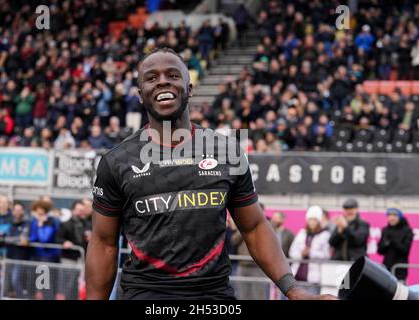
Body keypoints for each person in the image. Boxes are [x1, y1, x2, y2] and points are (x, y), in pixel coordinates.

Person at [86, 48, 335, 300]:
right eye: (151, 78)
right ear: (141, 95)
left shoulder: (228, 152)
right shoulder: (116, 161)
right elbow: (104, 243)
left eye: (173, 75)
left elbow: (255, 227)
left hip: (214, 299)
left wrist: (293, 290)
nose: (162, 81)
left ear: (189, 88)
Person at [231, 203, 271, 300]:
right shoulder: (243, 224)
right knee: (243, 296)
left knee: (258, 296)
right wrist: (243, 228)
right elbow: (233, 241)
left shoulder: (266, 226)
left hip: (258, 267)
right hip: (242, 265)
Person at [289, 206, 331, 295]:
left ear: (319, 221)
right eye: (310, 219)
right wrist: (301, 253)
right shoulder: (302, 233)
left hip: (314, 278)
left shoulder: (325, 235)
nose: (312, 222)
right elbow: (292, 251)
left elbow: (326, 255)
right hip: (297, 275)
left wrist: (311, 253)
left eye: (315, 219)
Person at [55, 201, 90, 300]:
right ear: (73, 211)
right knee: (65, 283)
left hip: (83, 259)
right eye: (79, 210)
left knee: (76, 284)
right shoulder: (65, 224)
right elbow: (58, 238)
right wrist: (64, 242)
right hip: (68, 258)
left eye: (83, 210)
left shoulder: (87, 224)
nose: (82, 213)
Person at [29, 200, 60, 300]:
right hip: (37, 256)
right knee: (39, 284)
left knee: (47, 284)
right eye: (37, 211)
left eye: (41, 212)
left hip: (49, 257)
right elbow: (33, 237)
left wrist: (40, 225)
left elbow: (44, 239)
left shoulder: (51, 222)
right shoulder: (35, 222)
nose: (38, 214)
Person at [377, 206, 413, 282]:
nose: (391, 218)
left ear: (400, 216)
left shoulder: (407, 230)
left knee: (399, 293)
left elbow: (405, 250)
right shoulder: (385, 230)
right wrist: (385, 244)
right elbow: (380, 251)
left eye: (394, 215)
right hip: (386, 269)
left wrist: (393, 240)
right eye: (389, 215)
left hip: (400, 271)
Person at [5, 202, 31, 298]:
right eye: (16, 210)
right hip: (10, 255)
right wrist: (16, 239)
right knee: (8, 280)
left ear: (23, 211)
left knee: (15, 279)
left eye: (20, 210)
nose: (17, 212)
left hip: (20, 257)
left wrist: (11, 239)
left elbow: (24, 237)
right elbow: (6, 238)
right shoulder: (10, 222)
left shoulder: (27, 222)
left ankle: (22, 298)